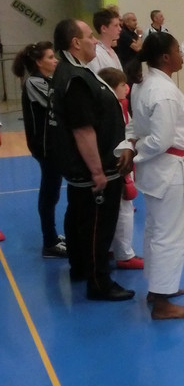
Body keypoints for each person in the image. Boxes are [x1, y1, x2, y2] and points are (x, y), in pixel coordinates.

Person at [49, 19, 135, 301]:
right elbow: (83, 130)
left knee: (79, 217)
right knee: (98, 224)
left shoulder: (70, 72)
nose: (95, 41)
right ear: (75, 42)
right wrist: (97, 171)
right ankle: (99, 282)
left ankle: (81, 268)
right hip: (93, 169)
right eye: (89, 36)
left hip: (81, 168)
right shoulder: (76, 79)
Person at [126, 33, 184, 320]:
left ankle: (158, 289)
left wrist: (132, 148)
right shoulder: (163, 91)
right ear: (166, 57)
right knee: (171, 235)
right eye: (178, 50)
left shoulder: (143, 84)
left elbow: (135, 127)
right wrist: (135, 150)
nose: (182, 55)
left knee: (156, 230)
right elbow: (161, 139)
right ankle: (163, 302)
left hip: (157, 172)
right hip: (169, 171)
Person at [12, 42, 67, 258]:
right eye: (50, 57)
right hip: (44, 145)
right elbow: (56, 103)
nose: (55, 61)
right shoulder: (34, 82)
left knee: (52, 190)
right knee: (49, 191)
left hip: (53, 144)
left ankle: (52, 236)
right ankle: (49, 242)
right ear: (38, 62)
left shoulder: (45, 80)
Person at [98, 67, 143, 271]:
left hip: (114, 163)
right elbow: (119, 139)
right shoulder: (112, 109)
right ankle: (124, 254)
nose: (127, 88)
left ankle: (110, 247)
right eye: (122, 85)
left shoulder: (118, 106)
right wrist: (126, 176)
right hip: (117, 163)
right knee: (125, 208)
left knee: (112, 208)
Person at [87, 8, 122, 74]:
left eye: (119, 25)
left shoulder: (112, 51)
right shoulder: (96, 54)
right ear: (104, 28)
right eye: (116, 25)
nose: (120, 29)